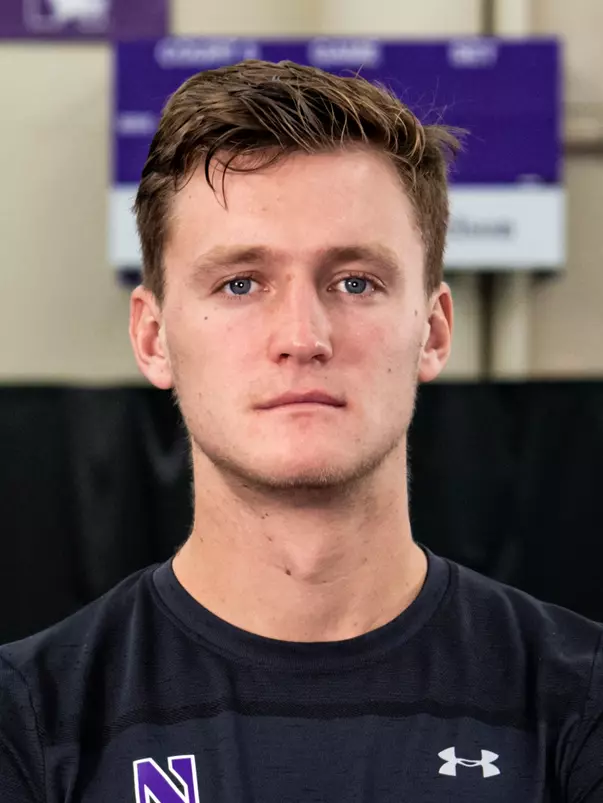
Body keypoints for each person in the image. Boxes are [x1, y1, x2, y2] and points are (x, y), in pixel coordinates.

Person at [1, 59, 602, 803]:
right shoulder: (28, 718)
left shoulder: (578, 700)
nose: (301, 337)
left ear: (434, 331)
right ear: (154, 338)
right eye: (240, 283)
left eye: (355, 281)